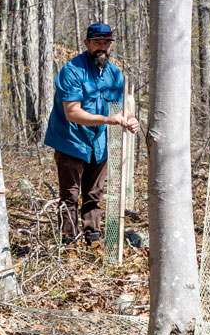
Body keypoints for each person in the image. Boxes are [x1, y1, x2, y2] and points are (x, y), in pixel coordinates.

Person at [44, 23, 139, 247]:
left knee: (94, 194)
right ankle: (68, 243)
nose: (102, 48)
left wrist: (131, 118)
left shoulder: (115, 74)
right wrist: (109, 120)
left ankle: (92, 240)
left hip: (100, 144)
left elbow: (121, 107)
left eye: (106, 43)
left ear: (111, 45)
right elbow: (72, 112)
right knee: (70, 196)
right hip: (71, 141)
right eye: (97, 43)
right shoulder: (72, 71)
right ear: (87, 43)